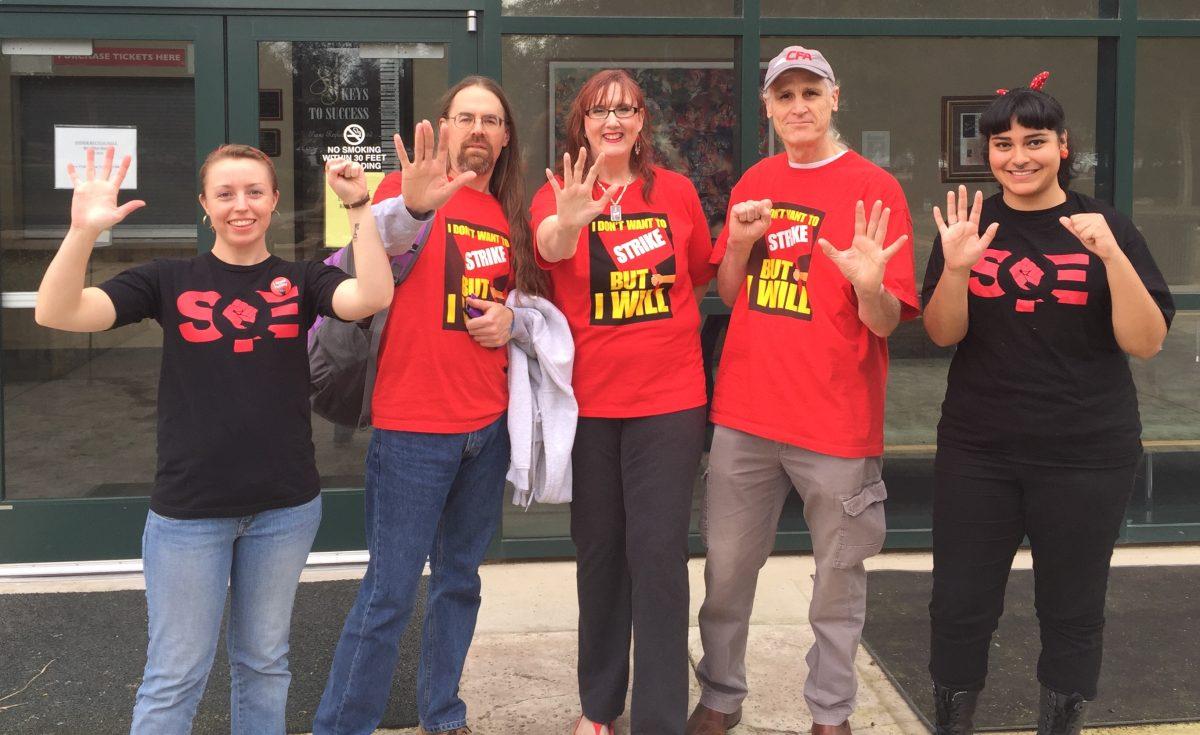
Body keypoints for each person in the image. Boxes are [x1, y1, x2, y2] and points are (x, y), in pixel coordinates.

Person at [34, 143, 393, 735]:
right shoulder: (167, 280)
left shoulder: (301, 279)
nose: (240, 205)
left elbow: (373, 295)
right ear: (205, 206)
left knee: (264, 664)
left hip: (284, 509)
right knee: (175, 675)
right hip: (189, 514)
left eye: (254, 191)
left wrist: (360, 208)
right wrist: (82, 233)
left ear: (274, 201)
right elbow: (57, 311)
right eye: (225, 194)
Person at [921, 73, 1173, 735]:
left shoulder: (1106, 226)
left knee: (1072, 608)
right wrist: (953, 267)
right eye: (1002, 143)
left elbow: (1145, 342)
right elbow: (943, 333)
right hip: (980, 450)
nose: (1018, 156)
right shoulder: (969, 227)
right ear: (988, 154)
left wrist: (1111, 255)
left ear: (1064, 147)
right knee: (959, 606)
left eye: (1034, 141)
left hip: (1087, 452)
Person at [689, 46, 918, 735]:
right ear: (767, 107)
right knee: (726, 573)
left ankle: (830, 712)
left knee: (838, 582)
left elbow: (885, 322)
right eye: (783, 95)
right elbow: (730, 291)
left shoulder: (877, 189)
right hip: (747, 413)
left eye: (809, 93)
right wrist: (737, 243)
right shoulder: (755, 179)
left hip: (837, 420)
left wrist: (869, 284)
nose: (798, 107)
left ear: (835, 98)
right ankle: (720, 696)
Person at [314, 75, 547, 735]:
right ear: (442, 127)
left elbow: (503, 302)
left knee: (459, 582)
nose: (478, 129)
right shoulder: (402, 192)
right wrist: (408, 210)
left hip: (485, 428)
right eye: (466, 116)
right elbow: (373, 253)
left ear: (504, 138)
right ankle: (339, 725)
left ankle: (442, 713)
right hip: (413, 431)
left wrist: (509, 321)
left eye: (491, 120)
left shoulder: (502, 214)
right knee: (388, 596)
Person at [531, 69, 715, 735]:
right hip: (589, 406)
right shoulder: (560, 192)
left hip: (669, 400)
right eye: (599, 110)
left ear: (642, 122)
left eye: (626, 109)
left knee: (659, 555)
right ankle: (599, 706)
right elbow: (550, 249)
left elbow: (695, 274)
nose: (613, 120)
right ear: (580, 123)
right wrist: (569, 221)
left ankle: (660, 716)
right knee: (601, 550)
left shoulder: (678, 193)